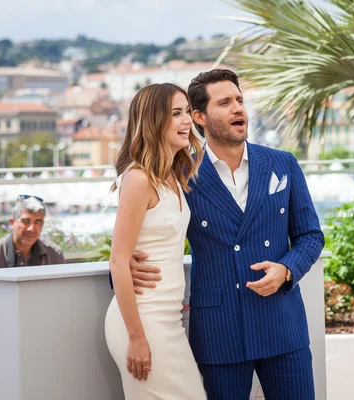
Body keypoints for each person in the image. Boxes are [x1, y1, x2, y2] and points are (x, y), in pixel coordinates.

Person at [129, 69, 325, 399]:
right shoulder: (179, 171)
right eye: (225, 102)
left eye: (239, 100)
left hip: (282, 323)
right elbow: (150, 234)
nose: (238, 108)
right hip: (220, 330)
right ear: (199, 117)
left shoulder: (282, 164)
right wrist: (128, 267)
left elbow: (311, 235)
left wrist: (287, 269)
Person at [104, 83, 206, 400]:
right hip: (143, 322)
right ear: (153, 121)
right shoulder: (138, 179)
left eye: (187, 111)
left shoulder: (175, 176)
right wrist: (136, 337)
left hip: (168, 322)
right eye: (176, 113)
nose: (187, 120)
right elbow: (118, 260)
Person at [0, 195, 65, 269]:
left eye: (37, 222)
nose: (31, 228)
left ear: (42, 225)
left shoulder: (54, 255)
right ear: (12, 223)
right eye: (26, 221)